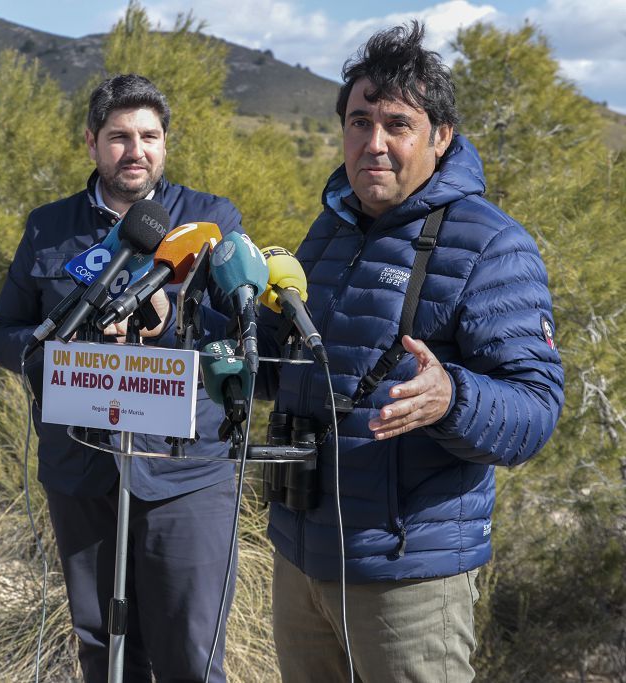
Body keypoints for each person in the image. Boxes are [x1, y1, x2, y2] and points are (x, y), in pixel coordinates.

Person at [257, 22, 564, 682]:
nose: (374, 143)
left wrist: (452, 396)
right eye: (360, 121)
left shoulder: (491, 244)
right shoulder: (329, 229)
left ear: (441, 136)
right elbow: (289, 362)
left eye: (398, 123)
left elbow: (537, 407)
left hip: (407, 580)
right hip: (300, 558)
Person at [0, 74, 244, 682]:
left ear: (165, 142)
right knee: (103, 646)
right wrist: (59, 347)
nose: (136, 151)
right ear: (92, 143)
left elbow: (244, 326)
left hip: (186, 471)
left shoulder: (210, 220)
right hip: (81, 467)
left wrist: (172, 324)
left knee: (190, 646)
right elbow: (2, 333)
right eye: (120, 137)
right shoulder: (49, 227)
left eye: (150, 136)